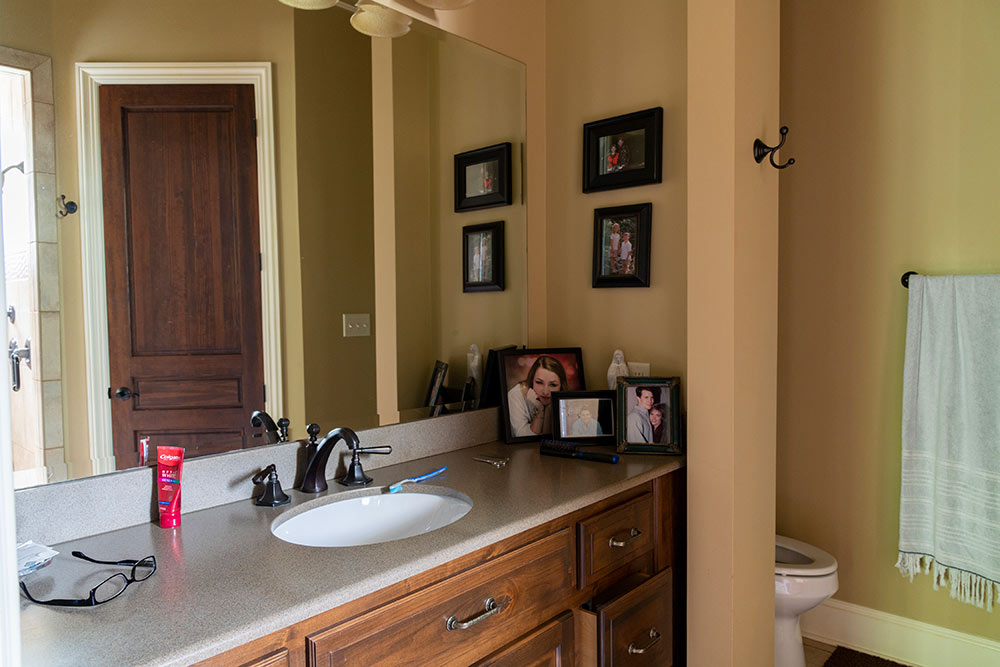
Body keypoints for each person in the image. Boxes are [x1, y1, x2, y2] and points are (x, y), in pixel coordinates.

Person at [507, 356, 567, 437]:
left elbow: (547, 438)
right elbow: (522, 436)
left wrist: (548, 409)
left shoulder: (565, 399)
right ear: (532, 381)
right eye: (539, 382)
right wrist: (540, 411)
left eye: (553, 385)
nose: (545, 392)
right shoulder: (515, 395)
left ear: (561, 386)